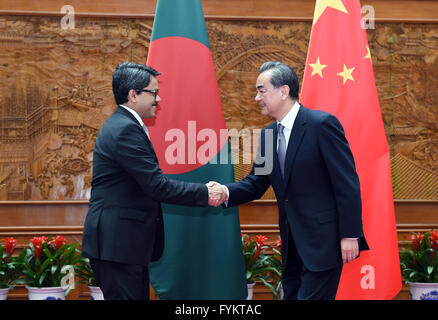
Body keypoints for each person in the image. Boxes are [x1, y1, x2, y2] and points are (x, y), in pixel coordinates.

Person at [209, 61, 369, 300]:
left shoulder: (321, 125)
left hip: (324, 243)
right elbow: (255, 183)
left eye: (261, 90)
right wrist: (225, 191)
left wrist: (350, 234)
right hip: (292, 245)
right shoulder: (267, 135)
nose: (256, 98)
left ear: (283, 91)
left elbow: (346, 183)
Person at [82, 62, 222, 300]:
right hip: (118, 245)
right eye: (154, 92)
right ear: (133, 95)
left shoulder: (125, 125)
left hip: (124, 245)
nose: (158, 99)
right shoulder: (124, 129)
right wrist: (205, 192)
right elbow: (156, 185)